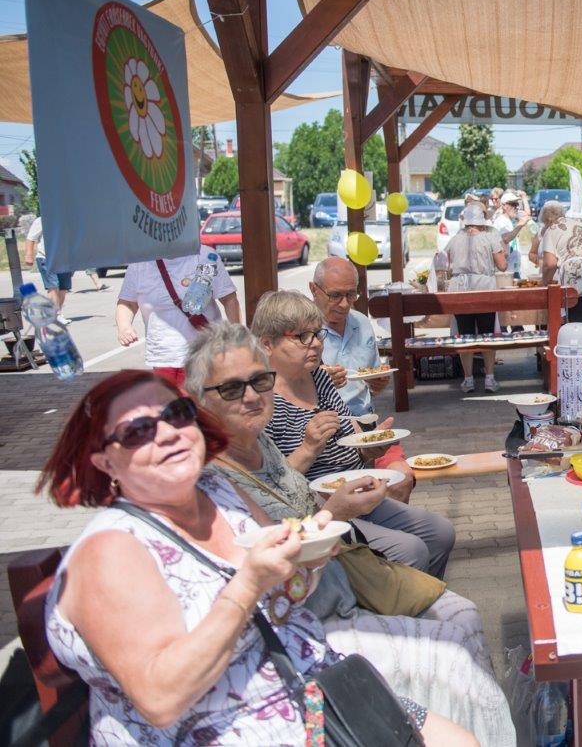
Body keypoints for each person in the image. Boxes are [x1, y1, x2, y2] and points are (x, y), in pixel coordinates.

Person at [38, 370, 476, 745]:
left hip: (314, 690)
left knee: (463, 737)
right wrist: (247, 585)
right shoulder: (111, 551)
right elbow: (160, 698)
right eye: (137, 432)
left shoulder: (217, 491)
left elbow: (290, 592)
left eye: (176, 415)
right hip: (226, 729)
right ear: (104, 463)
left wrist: (311, 554)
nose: (167, 433)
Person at [185, 323, 517, 745]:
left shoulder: (258, 439)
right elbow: (272, 576)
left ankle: (460, 725)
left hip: (341, 579)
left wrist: (345, 491)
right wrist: (333, 511)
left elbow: (312, 482)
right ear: (201, 402)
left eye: (259, 381)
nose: (251, 395)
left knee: (463, 611)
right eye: (231, 389)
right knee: (452, 647)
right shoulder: (213, 477)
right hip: (308, 621)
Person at [253, 290, 456, 578]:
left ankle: (417, 599)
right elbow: (269, 487)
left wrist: (370, 447)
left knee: (440, 533)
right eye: (301, 337)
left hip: (357, 491)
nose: (315, 344)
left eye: (318, 334)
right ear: (267, 343)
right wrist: (308, 448)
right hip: (317, 510)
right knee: (410, 550)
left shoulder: (319, 377)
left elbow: (349, 434)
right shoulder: (261, 402)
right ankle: (390, 609)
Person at [116, 251, 241, 387]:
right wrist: (124, 326)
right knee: (170, 405)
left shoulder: (206, 257)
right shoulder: (140, 263)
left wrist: (237, 336)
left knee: (203, 405)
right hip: (163, 355)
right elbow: (127, 303)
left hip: (205, 355)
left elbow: (229, 299)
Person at [310, 257, 390, 417]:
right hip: (323, 423)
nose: (345, 304)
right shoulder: (301, 330)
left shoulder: (361, 322)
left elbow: (370, 382)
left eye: (351, 294)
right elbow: (283, 389)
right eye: (335, 295)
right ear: (313, 289)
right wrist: (316, 381)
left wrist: (378, 384)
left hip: (365, 418)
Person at [446, 203, 508, 393]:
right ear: (482, 222)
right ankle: (489, 378)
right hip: (484, 289)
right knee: (487, 335)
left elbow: (447, 266)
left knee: (465, 336)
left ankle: (468, 379)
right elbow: (503, 266)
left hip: (459, 290)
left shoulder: (455, 239)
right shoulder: (489, 238)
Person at [538, 200, 582, 324]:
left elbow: (549, 264)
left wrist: (543, 284)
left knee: (577, 326)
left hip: (576, 277)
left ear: (547, 220)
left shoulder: (552, 229)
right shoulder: (580, 222)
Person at [23, 215, 72, 324]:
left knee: (63, 287)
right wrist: (28, 255)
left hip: (65, 259)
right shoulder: (42, 219)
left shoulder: (69, 218)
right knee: (53, 286)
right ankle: (55, 315)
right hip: (46, 258)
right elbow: (31, 238)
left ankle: (58, 313)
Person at [491, 191, 531, 280]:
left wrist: (524, 198)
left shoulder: (508, 220)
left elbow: (527, 215)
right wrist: (520, 225)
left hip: (513, 269)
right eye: (513, 204)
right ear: (504, 206)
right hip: (506, 272)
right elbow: (505, 238)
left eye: (517, 205)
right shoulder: (501, 221)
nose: (516, 207)